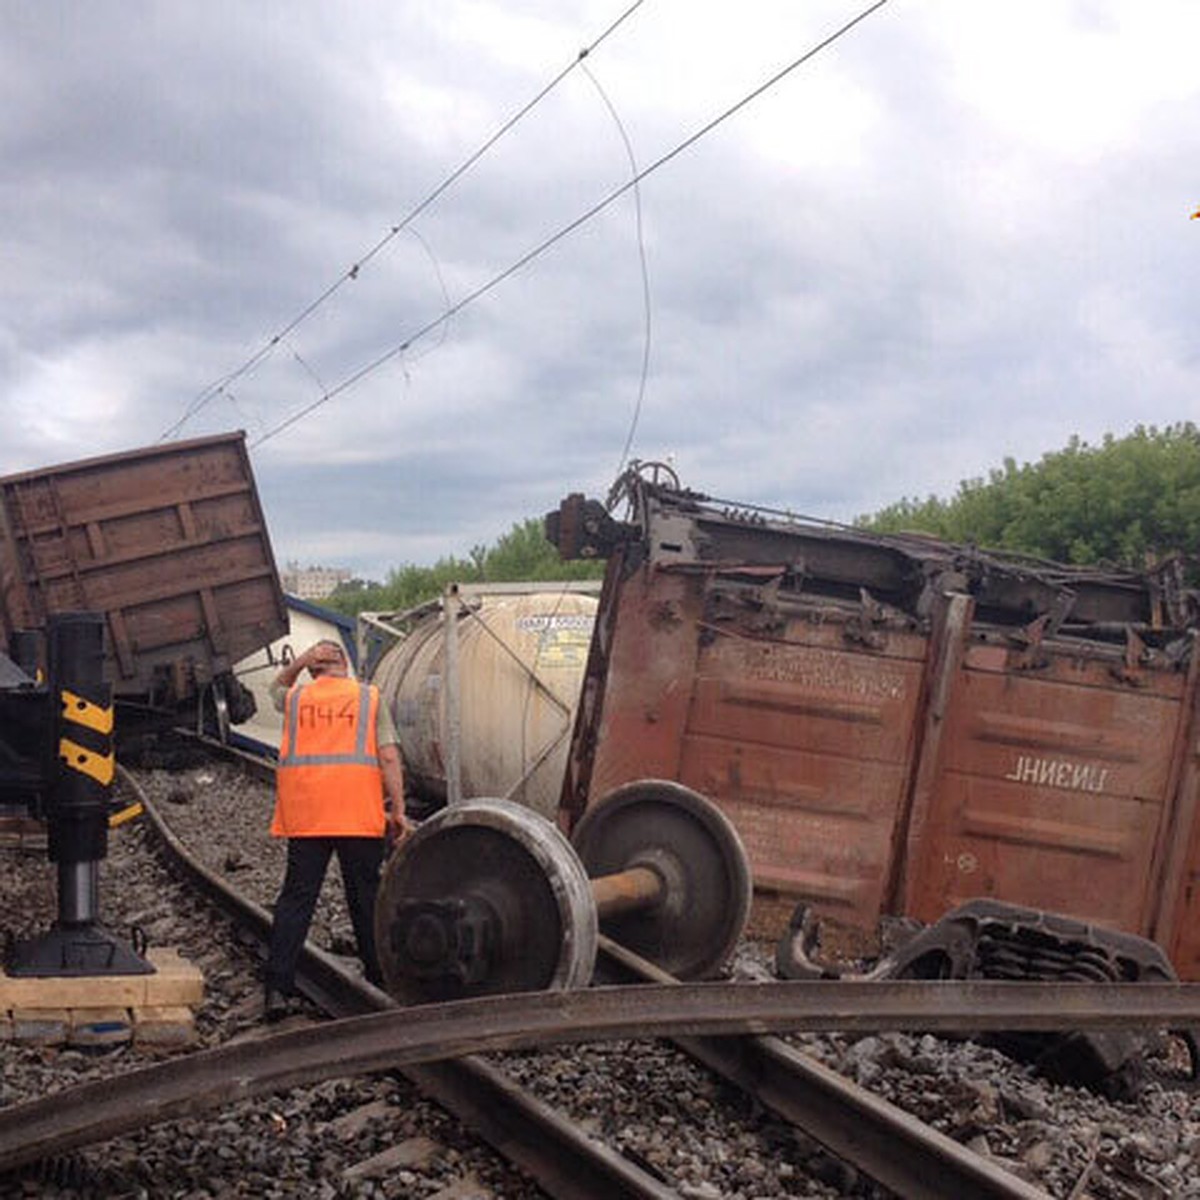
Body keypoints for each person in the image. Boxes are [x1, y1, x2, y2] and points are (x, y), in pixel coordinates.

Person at [263, 638, 407, 1020]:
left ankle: (276, 990)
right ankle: (379, 979)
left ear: (313, 668)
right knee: (365, 898)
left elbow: (275, 687)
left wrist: (299, 663)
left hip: (308, 816)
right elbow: (389, 756)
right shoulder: (368, 698)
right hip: (357, 814)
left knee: (296, 899)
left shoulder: (297, 699)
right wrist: (399, 809)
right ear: (345, 664)